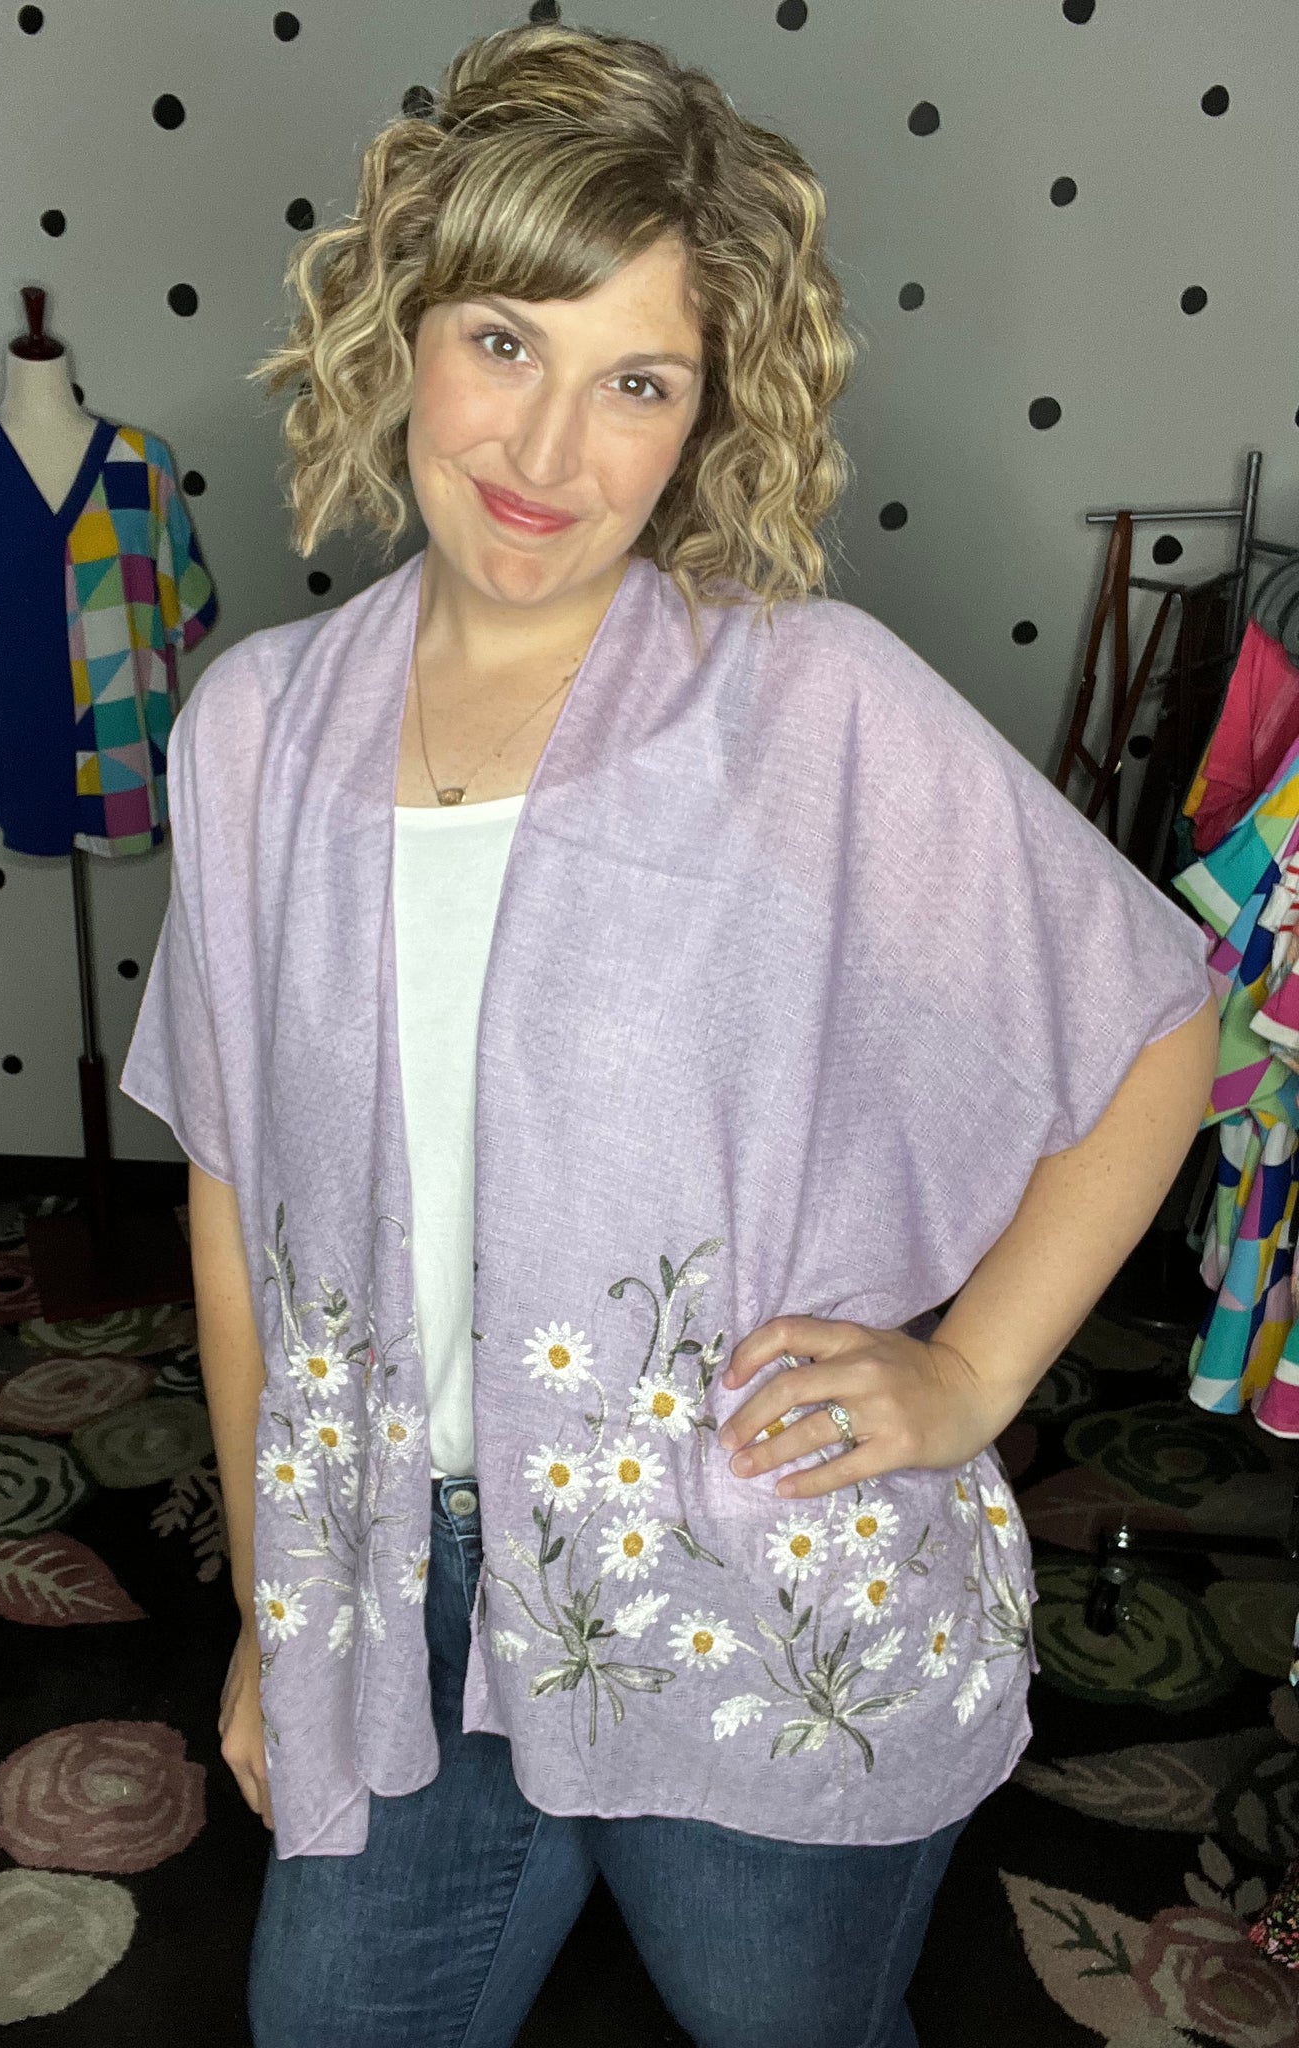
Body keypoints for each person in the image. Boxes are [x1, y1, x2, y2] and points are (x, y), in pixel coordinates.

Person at [119, 22, 1220, 2048]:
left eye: (638, 381)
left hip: (747, 1571)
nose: (550, 453)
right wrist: (280, 1609)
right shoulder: (254, 734)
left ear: (710, 416)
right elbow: (233, 1204)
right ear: (400, 327)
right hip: (390, 1584)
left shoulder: (811, 707)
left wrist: (971, 1370)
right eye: (504, 343)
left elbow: (1158, 1020)